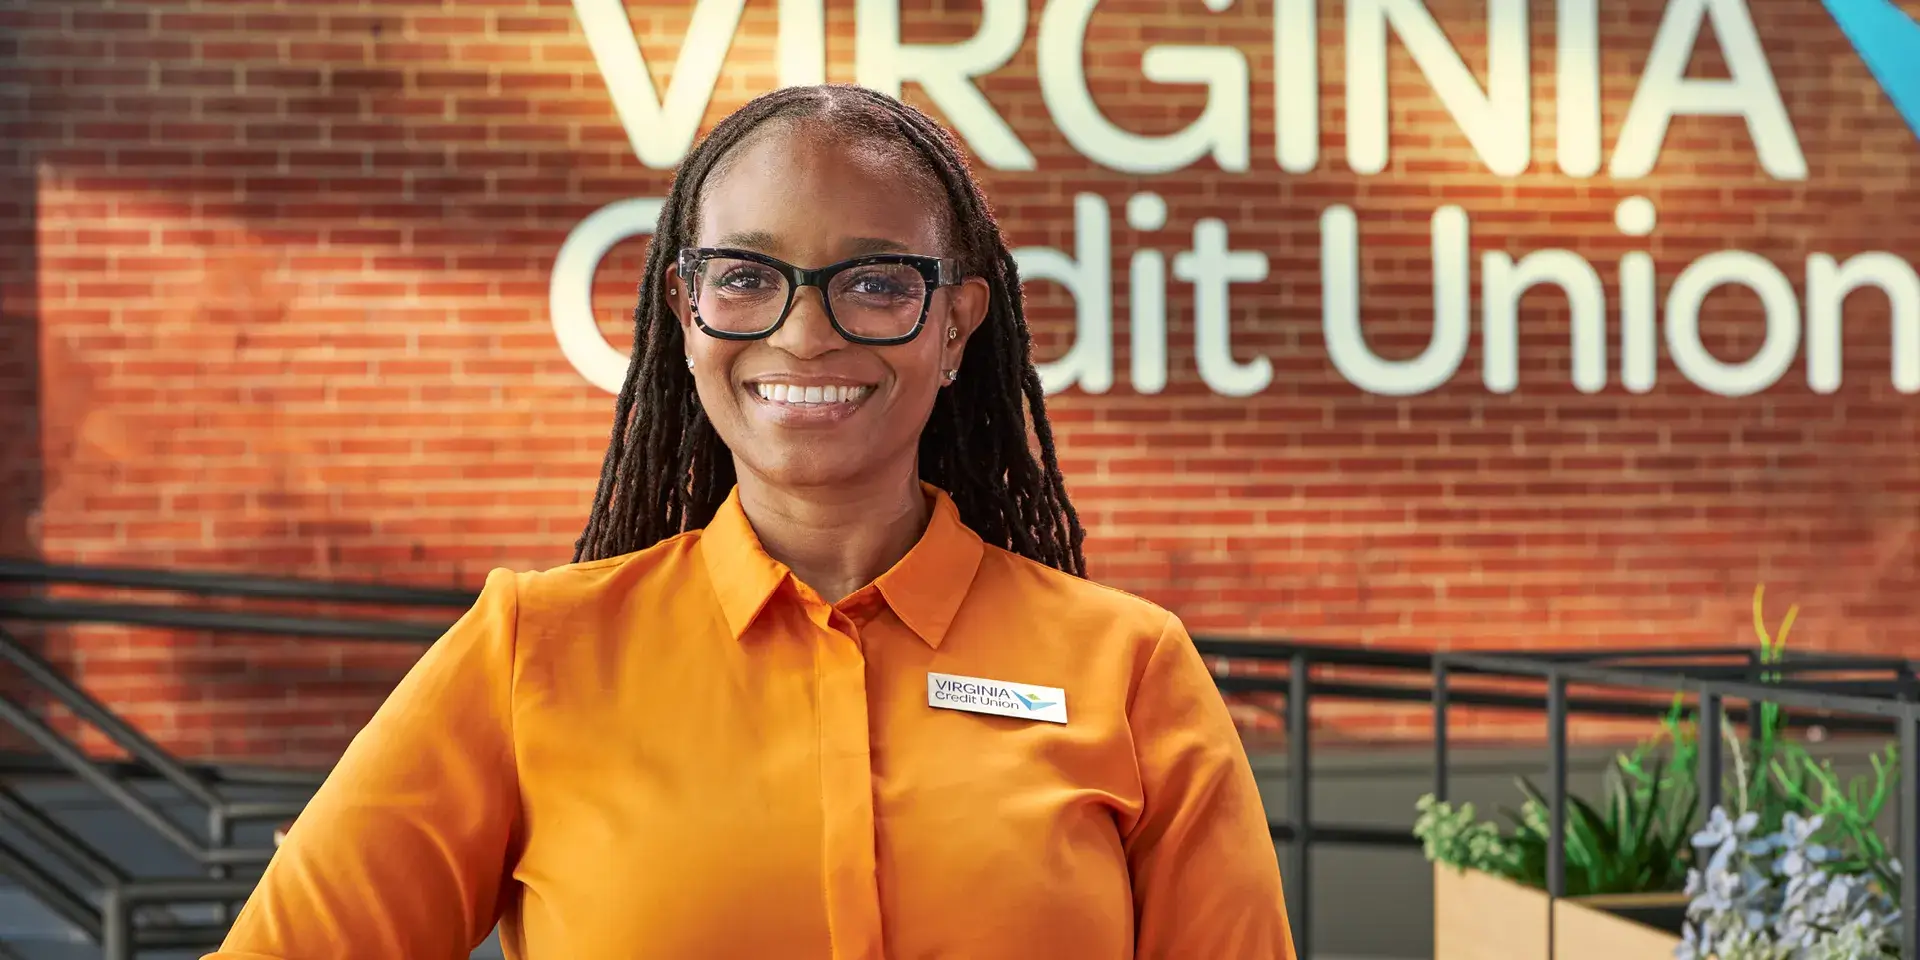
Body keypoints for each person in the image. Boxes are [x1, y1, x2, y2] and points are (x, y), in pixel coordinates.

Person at [206, 84, 1294, 960]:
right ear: (687, 314)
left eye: (873, 283)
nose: (805, 334)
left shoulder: (1129, 669)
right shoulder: (529, 654)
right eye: (745, 278)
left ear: (956, 326)